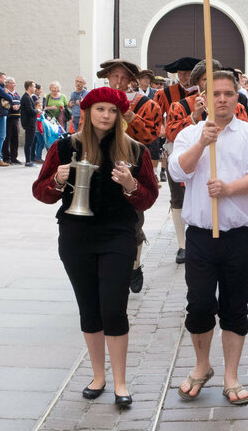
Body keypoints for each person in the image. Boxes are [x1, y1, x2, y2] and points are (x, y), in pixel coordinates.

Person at [33, 87, 158, 407]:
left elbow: (150, 195)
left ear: (119, 116)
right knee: (89, 308)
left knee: (114, 308)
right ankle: (98, 376)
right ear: (87, 112)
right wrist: (57, 181)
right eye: (100, 109)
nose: (106, 116)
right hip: (76, 237)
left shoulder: (134, 150)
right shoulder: (64, 147)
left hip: (117, 234)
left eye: (112, 110)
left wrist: (130, 185)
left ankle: (120, 382)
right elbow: (41, 192)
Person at [170, 71, 248, 405]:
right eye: (216, 94)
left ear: (237, 96)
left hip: (239, 237)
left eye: (229, 93)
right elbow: (177, 171)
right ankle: (202, 366)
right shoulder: (189, 134)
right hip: (200, 236)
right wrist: (203, 143)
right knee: (199, 305)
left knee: (235, 306)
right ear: (205, 97)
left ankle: (231, 375)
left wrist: (228, 189)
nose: (223, 99)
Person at [97, 58, 161, 295]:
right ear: (107, 77)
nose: (119, 81)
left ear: (131, 81)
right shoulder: (94, 102)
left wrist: (130, 116)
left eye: (124, 77)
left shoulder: (145, 104)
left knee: (134, 221)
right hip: (99, 170)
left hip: (130, 171)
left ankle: (134, 266)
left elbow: (151, 135)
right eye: (115, 76)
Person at [154, 56, 201, 264]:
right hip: (176, 147)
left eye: (188, 72)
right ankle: (182, 244)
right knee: (177, 196)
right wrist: (162, 128)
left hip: (203, 147)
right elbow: (156, 118)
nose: (184, 77)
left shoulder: (207, 93)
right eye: (181, 73)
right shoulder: (164, 93)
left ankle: (199, 239)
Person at [2, 77, 21, 164]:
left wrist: (18, 107)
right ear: (8, 84)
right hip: (8, 118)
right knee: (7, 138)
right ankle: (6, 157)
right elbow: (3, 105)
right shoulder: (4, 92)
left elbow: (19, 102)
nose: (14, 85)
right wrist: (11, 107)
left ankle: (14, 157)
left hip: (16, 118)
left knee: (15, 138)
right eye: (13, 83)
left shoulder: (16, 94)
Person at [20, 80, 38, 167]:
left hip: (31, 122)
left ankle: (29, 160)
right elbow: (30, 110)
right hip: (29, 123)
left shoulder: (29, 97)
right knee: (28, 142)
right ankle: (28, 161)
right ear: (29, 87)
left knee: (30, 142)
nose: (35, 88)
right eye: (34, 86)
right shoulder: (26, 98)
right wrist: (37, 111)